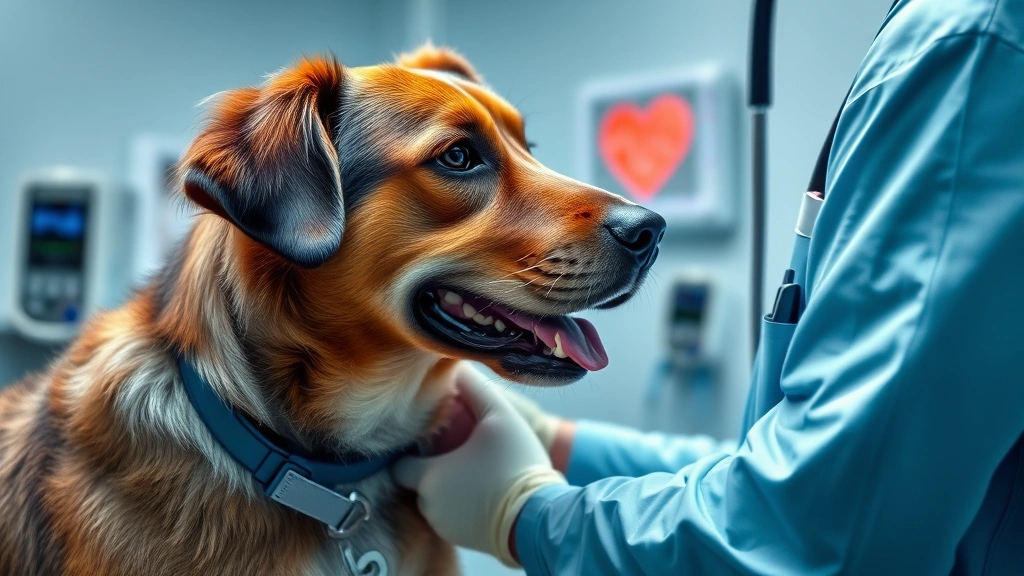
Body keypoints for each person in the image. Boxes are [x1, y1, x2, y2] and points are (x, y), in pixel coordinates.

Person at [393, 0, 1024, 573]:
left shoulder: (967, 43)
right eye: (458, 157)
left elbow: (827, 534)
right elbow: (791, 469)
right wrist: (557, 444)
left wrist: (528, 518)